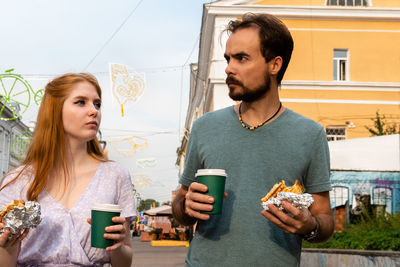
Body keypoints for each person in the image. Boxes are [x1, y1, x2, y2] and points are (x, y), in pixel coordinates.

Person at [172, 13, 334, 266]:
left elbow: (325, 218)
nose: (228, 68)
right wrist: (185, 206)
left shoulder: (309, 134)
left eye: (242, 58)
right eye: (228, 59)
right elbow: (179, 208)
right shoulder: (204, 127)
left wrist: (309, 225)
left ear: (274, 65)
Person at [0, 73, 136, 266]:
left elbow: (123, 263)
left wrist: (119, 245)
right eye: (81, 102)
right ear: (54, 111)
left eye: (97, 104)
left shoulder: (115, 175)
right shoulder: (19, 179)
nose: (93, 111)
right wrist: (7, 247)